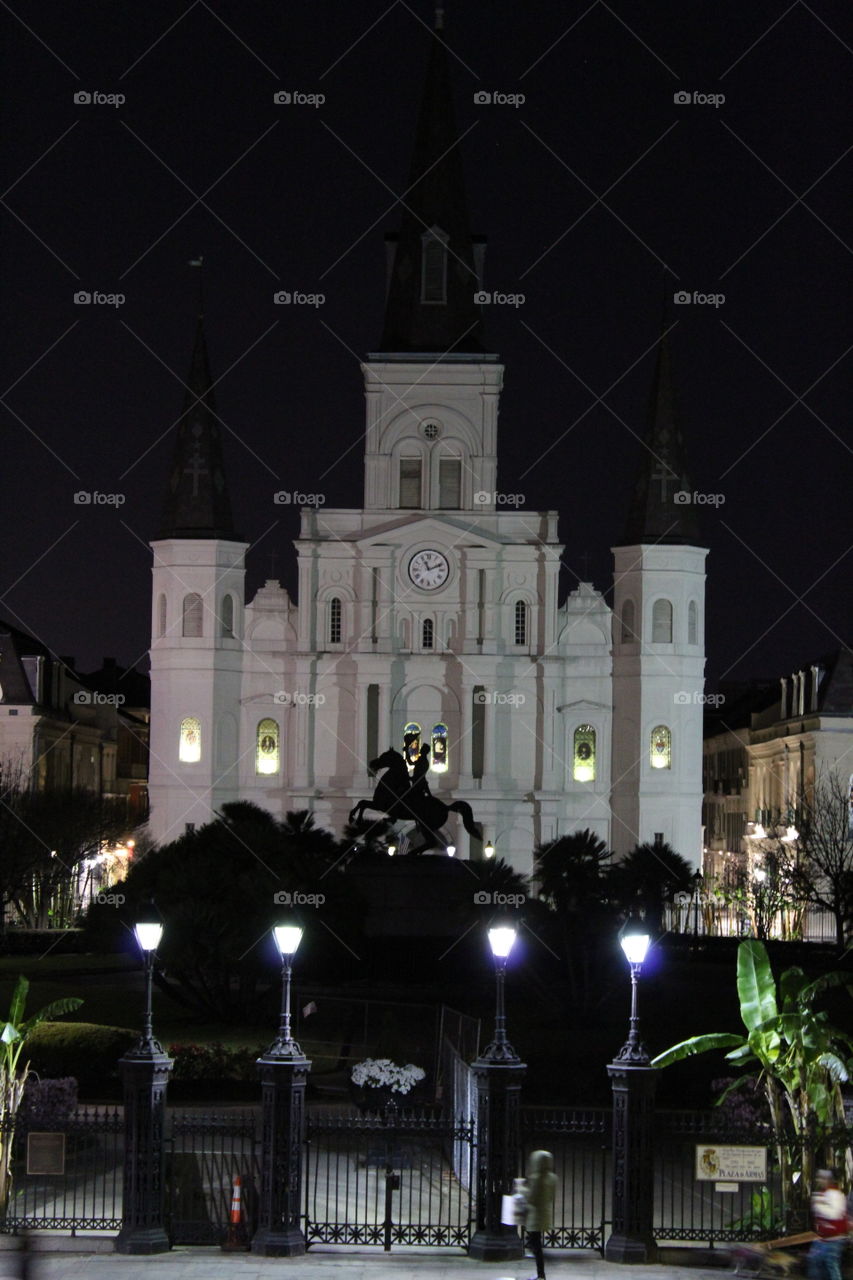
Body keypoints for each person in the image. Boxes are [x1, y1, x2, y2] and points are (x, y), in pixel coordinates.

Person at [808, 1169, 848, 1280]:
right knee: (815, 1262)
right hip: (823, 1238)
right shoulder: (823, 1194)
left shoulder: (835, 1194)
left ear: (829, 1180)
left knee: (831, 1265)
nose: (819, 1180)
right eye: (819, 1177)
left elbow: (834, 1214)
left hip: (834, 1239)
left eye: (822, 1178)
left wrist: (819, 1205)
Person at [525, 1149, 557, 1280]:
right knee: (536, 1241)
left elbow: (531, 1198)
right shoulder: (553, 1178)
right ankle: (540, 1273)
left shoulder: (536, 1178)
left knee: (535, 1244)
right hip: (545, 1214)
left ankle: (540, 1274)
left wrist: (523, 1190)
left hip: (535, 1216)